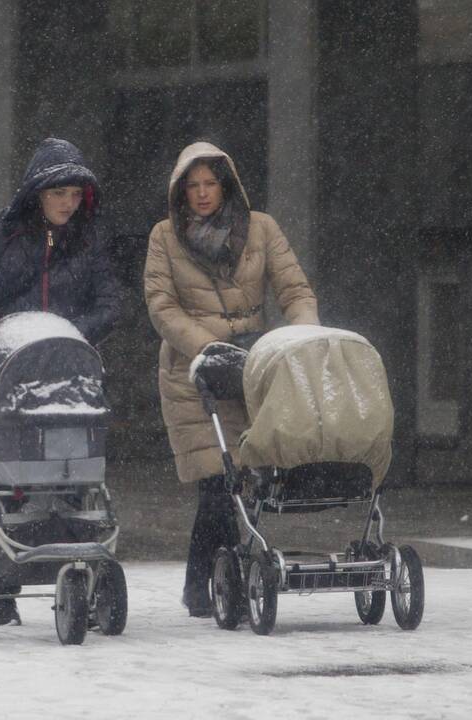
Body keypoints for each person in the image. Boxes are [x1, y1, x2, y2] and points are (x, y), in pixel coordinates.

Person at [0, 137, 121, 625]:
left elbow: (110, 302)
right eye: (59, 192)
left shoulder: (88, 240)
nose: (68, 203)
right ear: (37, 192)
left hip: (66, 375)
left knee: (71, 477)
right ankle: (4, 583)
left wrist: (71, 335)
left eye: (76, 194)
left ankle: (77, 562)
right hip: (3, 371)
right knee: (9, 478)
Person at [143, 141, 319, 617]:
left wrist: (298, 337)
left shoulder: (260, 228)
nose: (202, 194)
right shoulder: (165, 236)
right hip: (193, 371)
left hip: (255, 365)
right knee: (218, 479)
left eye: (210, 183)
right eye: (193, 185)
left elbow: (294, 289)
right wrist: (208, 348)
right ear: (181, 191)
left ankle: (208, 584)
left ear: (226, 184)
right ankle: (219, 588)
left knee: (247, 479)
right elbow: (162, 306)